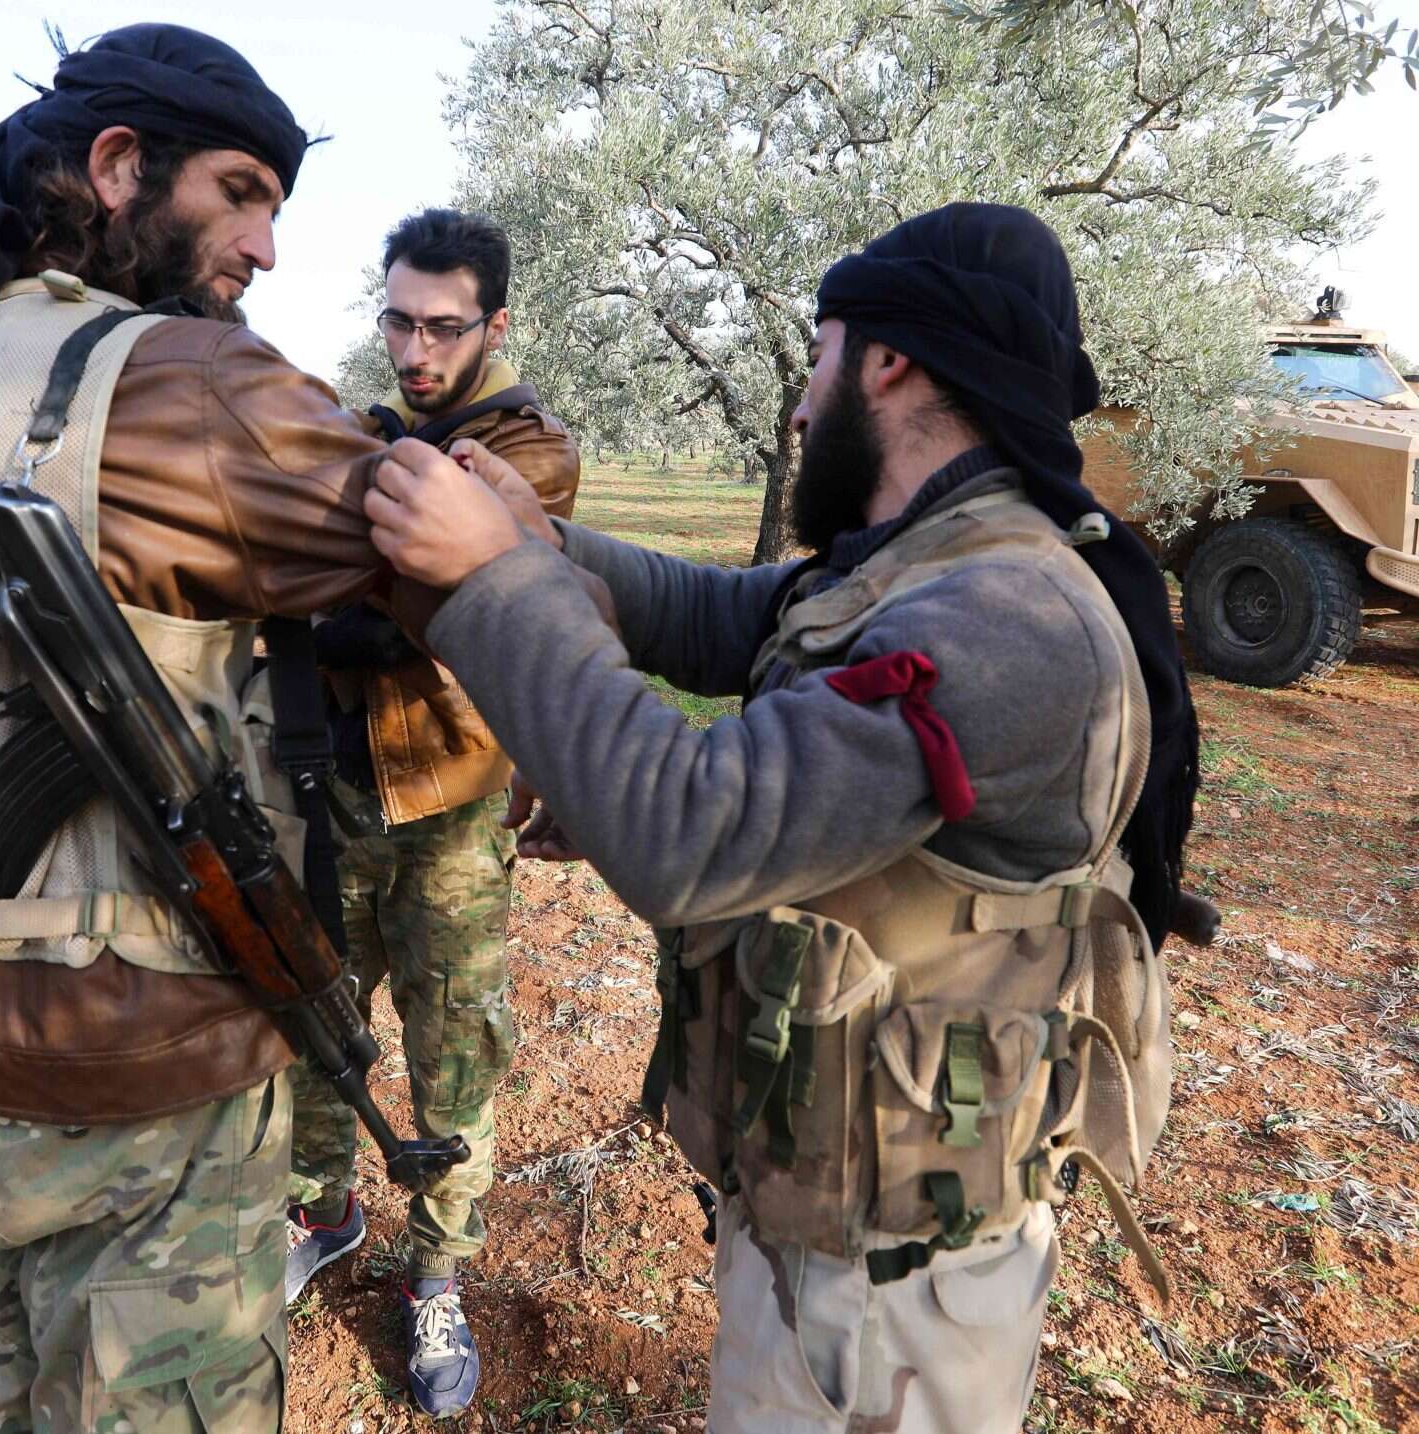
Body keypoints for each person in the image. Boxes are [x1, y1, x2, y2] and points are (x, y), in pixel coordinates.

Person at [0, 25, 569, 1431]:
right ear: (119, 168)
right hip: (154, 1079)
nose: (266, 249)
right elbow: (486, 571)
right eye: (241, 195)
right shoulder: (195, 387)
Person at [361, 203, 1198, 1432]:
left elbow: (687, 833)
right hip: (829, 1214)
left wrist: (495, 575)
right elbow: (725, 614)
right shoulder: (923, 557)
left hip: (890, 1292)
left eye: (817, 359)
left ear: (888, 361)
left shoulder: (1005, 617)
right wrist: (539, 542)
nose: (801, 409)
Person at [284, 207, 579, 1416]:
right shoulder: (374, 433)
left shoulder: (527, 451)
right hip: (333, 792)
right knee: (319, 1024)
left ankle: (438, 1273)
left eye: (441, 327)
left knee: (453, 1048)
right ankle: (323, 1211)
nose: (413, 349)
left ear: (493, 326)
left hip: (450, 803)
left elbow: (389, 581)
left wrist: (331, 594)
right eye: (397, 322)